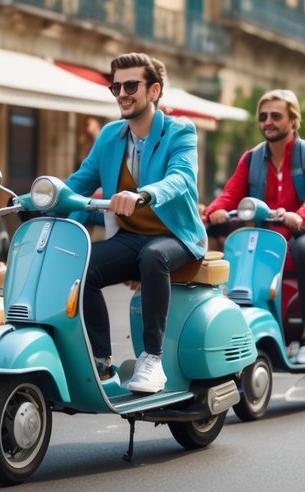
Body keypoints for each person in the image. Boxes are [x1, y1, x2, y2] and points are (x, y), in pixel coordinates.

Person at [65, 52, 208, 394]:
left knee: (153, 256)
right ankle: (101, 362)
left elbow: (181, 179)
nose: (122, 93)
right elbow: (80, 181)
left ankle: (152, 359)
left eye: (131, 85)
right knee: (80, 266)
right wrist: (39, 197)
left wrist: (143, 194)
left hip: (176, 237)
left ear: (154, 90)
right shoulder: (110, 136)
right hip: (130, 238)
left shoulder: (180, 132)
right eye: (115, 86)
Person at [204, 89, 305, 363]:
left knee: (303, 250)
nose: (268, 122)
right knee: (228, 245)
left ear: (293, 121)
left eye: (276, 116)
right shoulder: (252, 157)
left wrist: (303, 212)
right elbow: (231, 194)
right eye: (263, 117)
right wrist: (213, 213)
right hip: (267, 234)